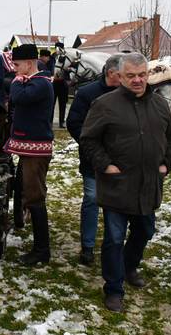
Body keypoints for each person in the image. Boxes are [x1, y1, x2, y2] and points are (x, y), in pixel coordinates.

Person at [80, 52, 171, 312]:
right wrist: (105, 165)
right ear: (119, 76)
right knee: (114, 237)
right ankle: (113, 288)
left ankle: (129, 266)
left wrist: (167, 162)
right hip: (117, 185)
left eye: (142, 75)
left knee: (145, 231)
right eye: (131, 76)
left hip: (148, 184)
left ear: (148, 74)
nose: (137, 80)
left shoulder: (159, 105)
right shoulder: (104, 104)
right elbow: (89, 139)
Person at [66, 54, 122, 266]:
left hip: (121, 160)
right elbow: (74, 122)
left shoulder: (126, 94)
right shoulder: (88, 93)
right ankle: (87, 246)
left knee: (115, 205)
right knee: (92, 199)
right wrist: (91, 146)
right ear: (110, 73)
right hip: (92, 160)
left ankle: (112, 245)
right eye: (122, 74)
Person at [3, 44, 54, 266]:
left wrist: (16, 82)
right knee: (26, 190)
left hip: (36, 151)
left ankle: (42, 250)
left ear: (30, 63)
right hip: (29, 149)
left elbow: (19, 97)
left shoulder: (41, 84)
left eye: (17, 65)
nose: (14, 70)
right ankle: (37, 244)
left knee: (35, 197)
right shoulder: (33, 81)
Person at [52, 42, 68, 128]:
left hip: (62, 83)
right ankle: (50, 121)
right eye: (57, 47)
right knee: (52, 103)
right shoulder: (52, 57)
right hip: (53, 83)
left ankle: (61, 122)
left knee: (63, 104)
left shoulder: (66, 58)